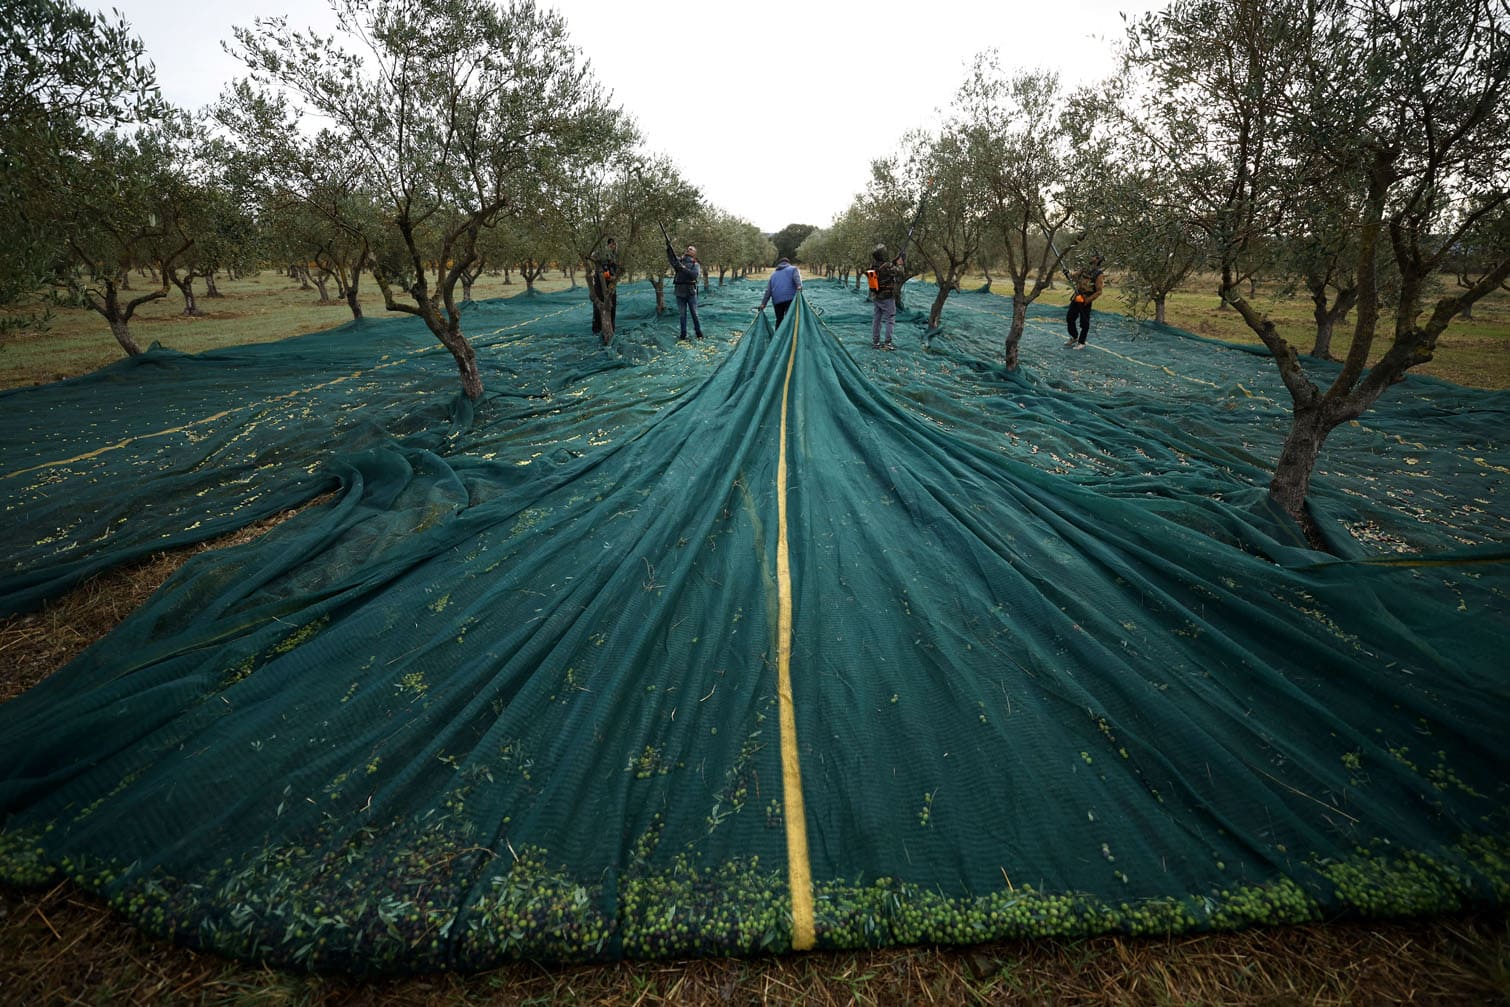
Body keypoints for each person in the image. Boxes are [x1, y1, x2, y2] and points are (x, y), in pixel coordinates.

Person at [1065, 254, 1105, 349]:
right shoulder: (1085, 269)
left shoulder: (1098, 274)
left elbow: (1099, 291)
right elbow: (1073, 277)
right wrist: (1067, 274)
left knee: (1084, 322)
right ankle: (1074, 336)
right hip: (1077, 296)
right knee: (1070, 318)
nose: (1091, 257)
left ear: (1098, 259)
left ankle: (1081, 342)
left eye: (1093, 256)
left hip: (1086, 299)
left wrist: (1087, 300)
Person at [666, 239, 704, 340]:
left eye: (691, 249)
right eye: (688, 248)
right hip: (679, 292)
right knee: (682, 315)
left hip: (691, 292)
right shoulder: (680, 261)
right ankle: (683, 335)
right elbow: (672, 259)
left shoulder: (695, 264)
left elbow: (694, 275)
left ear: (694, 253)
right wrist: (668, 248)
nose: (689, 249)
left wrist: (683, 268)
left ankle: (699, 333)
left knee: (694, 314)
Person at [868, 245, 904, 350]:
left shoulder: (873, 265)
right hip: (887, 297)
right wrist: (900, 264)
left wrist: (893, 261)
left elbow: (886, 268)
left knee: (877, 319)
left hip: (876, 296)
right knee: (890, 319)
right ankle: (887, 343)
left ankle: (876, 342)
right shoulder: (887, 266)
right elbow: (900, 273)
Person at [757, 256, 803, 326]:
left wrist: (763, 304)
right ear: (788, 263)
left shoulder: (773, 275)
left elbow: (768, 291)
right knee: (790, 319)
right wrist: (799, 287)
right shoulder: (793, 269)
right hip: (790, 299)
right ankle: (790, 335)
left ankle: (778, 335)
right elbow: (797, 281)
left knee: (779, 319)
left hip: (777, 300)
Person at [589, 238, 619, 338]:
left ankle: (610, 329)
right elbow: (592, 256)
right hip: (600, 285)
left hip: (611, 286)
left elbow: (616, 270)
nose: (614, 247)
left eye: (615, 245)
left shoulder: (614, 257)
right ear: (608, 245)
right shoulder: (602, 254)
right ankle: (597, 330)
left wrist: (614, 278)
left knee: (611, 307)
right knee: (598, 308)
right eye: (612, 245)